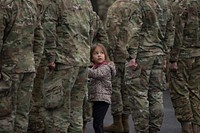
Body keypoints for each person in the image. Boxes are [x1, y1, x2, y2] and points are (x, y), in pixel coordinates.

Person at [42, 0, 109, 132]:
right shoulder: (86, 3)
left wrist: (50, 58)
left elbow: (48, 31)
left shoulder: (56, 3)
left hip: (63, 62)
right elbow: (93, 27)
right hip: (82, 62)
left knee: (57, 109)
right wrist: (85, 50)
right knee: (76, 110)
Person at [125, 0, 174, 132]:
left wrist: (132, 56)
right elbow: (170, 29)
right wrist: (165, 52)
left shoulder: (140, 4)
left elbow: (134, 30)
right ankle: (154, 128)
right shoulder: (165, 5)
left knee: (139, 95)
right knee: (156, 93)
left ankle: (142, 129)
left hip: (142, 54)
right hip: (158, 53)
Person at [0, 0, 45, 132]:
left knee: (5, 114)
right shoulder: (31, 5)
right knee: (22, 114)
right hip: (27, 67)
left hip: (8, 68)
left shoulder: (5, 5)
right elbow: (40, 38)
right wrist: (34, 63)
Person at [103, 0, 142, 132]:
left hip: (119, 53)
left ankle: (118, 122)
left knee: (115, 88)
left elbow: (111, 30)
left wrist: (109, 53)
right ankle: (125, 122)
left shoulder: (115, 7)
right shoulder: (138, 5)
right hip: (135, 53)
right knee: (127, 89)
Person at [168, 0, 200, 133]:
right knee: (196, 92)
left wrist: (172, 58)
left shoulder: (180, 5)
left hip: (183, 55)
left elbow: (177, 33)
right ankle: (196, 127)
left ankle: (186, 128)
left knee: (180, 92)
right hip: (198, 54)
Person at [88, 43, 116, 133]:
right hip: (96, 98)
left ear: (105, 55)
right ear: (92, 58)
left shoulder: (106, 67)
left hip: (103, 99)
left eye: (102, 53)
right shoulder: (94, 67)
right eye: (96, 53)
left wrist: (82, 67)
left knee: (97, 124)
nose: (99, 55)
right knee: (97, 123)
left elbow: (96, 74)